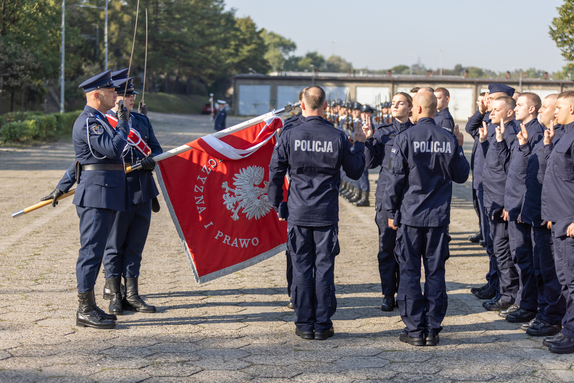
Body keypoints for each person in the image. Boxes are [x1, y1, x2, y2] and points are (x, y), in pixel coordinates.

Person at [268, 86, 366, 341]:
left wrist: (278, 204)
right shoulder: (337, 136)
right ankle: (322, 324)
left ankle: (303, 324)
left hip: (298, 212)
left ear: (303, 104)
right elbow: (355, 172)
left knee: (301, 268)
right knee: (324, 269)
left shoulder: (289, 135)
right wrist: (360, 144)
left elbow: (275, 173)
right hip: (325, 214)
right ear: (325, 105)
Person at [41, 70, 130, 329]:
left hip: (107, 192)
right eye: (111, 91)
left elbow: (82, 160)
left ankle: (91, 306)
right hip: (96, 195)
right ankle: (84, 309)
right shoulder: (88, 121)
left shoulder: (99, 119)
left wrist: (62, 185)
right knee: (91, 252)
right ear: (96, 94)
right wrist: (123, 123)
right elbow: (112, 149)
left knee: (98, 250)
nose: (116, 95)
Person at [384, 91, 469, 346]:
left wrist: (390, 211)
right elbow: (462, 175)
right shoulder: (449, 139)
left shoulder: (405, 137)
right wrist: (460, 148)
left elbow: (395, 179)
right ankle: (432, 329)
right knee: (435, 272)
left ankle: (414, 330)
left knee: (409, 272)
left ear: (418, 109)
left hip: (410, 217)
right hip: (438, 218)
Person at [101, 72, 163, 315]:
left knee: (135, 246)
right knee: (115, 246)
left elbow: (156, 148)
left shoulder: (141, 120)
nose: (131, 99)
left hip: (143, 190)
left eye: (132, 95)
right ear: (115, 97)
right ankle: (115, 295)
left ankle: (133, 294)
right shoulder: (104, 121)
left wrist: (152, 160)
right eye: (127, 95)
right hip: (118, 190)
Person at [520, 94, 565, 337]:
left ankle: (552, 318)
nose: (551, 111)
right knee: (540, 268)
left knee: (551, 272)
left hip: (550, 215)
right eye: (551, 107)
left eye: (552, 107)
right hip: (538, 212)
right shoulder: (548, 136)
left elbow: (559, 180)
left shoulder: (561, 137)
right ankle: (545, 312)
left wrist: (553, 210)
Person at [364, 92, 413, 311]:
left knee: (407, 249)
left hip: (409, 197)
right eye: (393, 103)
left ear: (411, 107)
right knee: (386, 247)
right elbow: (370, 163)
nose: (395, 106)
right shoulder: (382, 132)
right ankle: (387, 294)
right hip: (385, 196)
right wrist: (367, 140)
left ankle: (405, 292)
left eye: (400, 103)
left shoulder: (416, 132)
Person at [465, 83, 515, 302]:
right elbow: (470, 127)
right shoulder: (490, 120)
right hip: (483, 186)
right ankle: (493, 282)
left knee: (498, 243)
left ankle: (500, 287)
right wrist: (482, 111)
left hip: (495, 192)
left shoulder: (504, 128)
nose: (486, 100)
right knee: (490, 240)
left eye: (491, 97)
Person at [497, 93, 543, 323]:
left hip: (523, 206)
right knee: (518, 256)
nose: (516, 109)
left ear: (532, 109)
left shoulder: (535, 133)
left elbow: (532, 175)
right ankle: (522, 301)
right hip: (513, 203)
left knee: (525, 257)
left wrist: (523, 207)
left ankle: (528, 305)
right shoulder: (521, 132)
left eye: (521, 105)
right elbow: (512, 170)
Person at [540, 91, 574, 354]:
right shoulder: (563, 135)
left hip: (570, 221)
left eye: (559, 106)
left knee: (573, 282)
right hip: (559, 219)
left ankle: (572, 334)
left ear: (572, 108)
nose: (555, 111)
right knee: (564, 279)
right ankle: (568, 328)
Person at [480, 95, 520, 314]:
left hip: (502, 205)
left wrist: (507, 204)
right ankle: (502, 290)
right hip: (492, 201)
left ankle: (508, 295)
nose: (491, 112)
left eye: (496, 109)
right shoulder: (499, 133)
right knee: (497, 250)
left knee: (504, 252)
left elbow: (512, 174)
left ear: (510, 113)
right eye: (491, 109)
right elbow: (495, 166)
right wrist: (487, 142)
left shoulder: (512, 135)